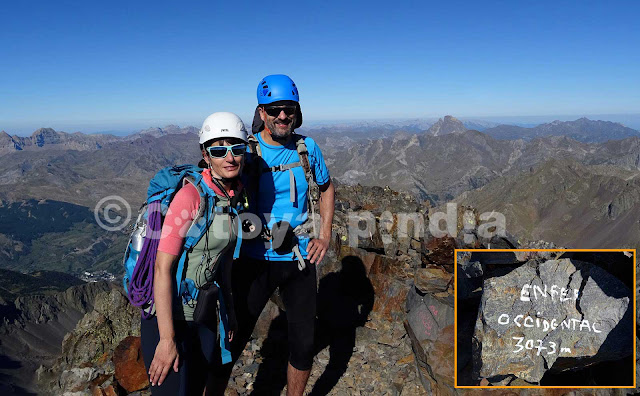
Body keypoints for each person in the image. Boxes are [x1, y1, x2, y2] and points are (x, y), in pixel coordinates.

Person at [208, 74, 335, 396]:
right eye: (275, 109)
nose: (282, 116)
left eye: (289, 109)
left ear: (297, 111)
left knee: (304, 344)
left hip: (299, 258)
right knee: (231, 342)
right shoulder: (245, 151)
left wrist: (325, 235)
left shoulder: (308, 148)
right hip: (253, 260)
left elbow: (326, 187)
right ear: (261, 112)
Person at [141, 112, 248, 395]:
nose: (230, 157)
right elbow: (162, 268)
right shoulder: (191, 197)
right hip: (167, 318)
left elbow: (222, 261)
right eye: (219, 150)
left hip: (202, 314)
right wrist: (166, 340)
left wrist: (230, 311)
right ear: (206, 154)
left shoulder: (233, 196)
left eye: (237, 148)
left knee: (196, 388)